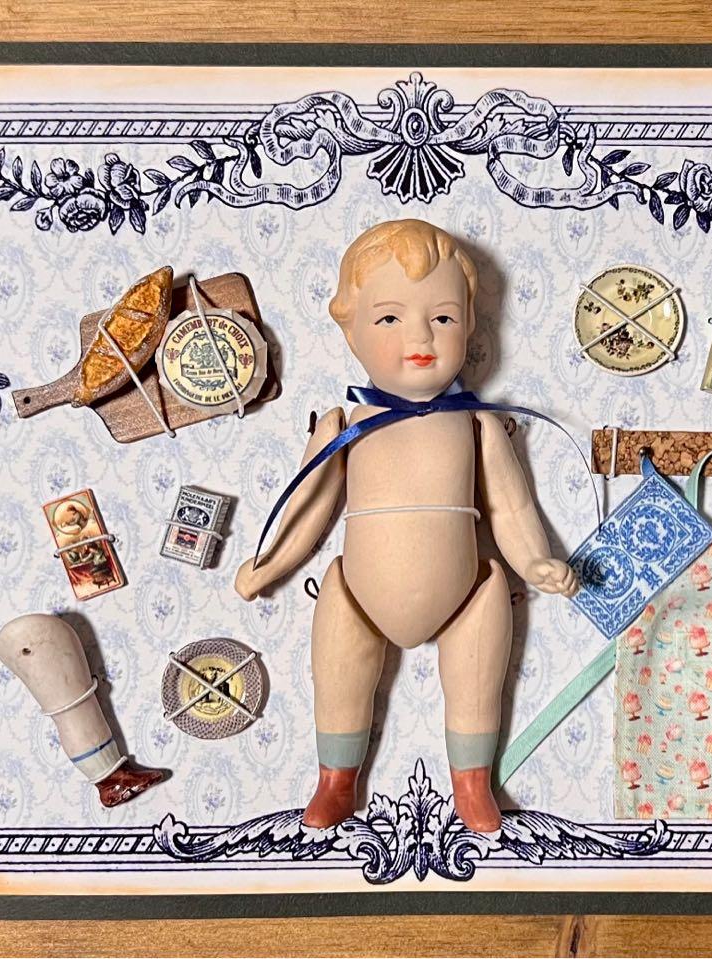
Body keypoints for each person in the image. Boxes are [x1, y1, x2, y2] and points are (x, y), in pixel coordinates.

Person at [236, 219, 576, 832]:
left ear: (471, 325)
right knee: (339, 658)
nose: (420, 336)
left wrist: (535, 561)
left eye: (443, 317)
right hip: (361, 595)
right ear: (350, 328)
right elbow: (310, 505)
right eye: (390, 318)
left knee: (481, 655)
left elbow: (511, 508)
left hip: (464, 596)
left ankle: (473, 782)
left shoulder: (477, 423)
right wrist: (271, 565)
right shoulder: (345, 424)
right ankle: (335, 779)